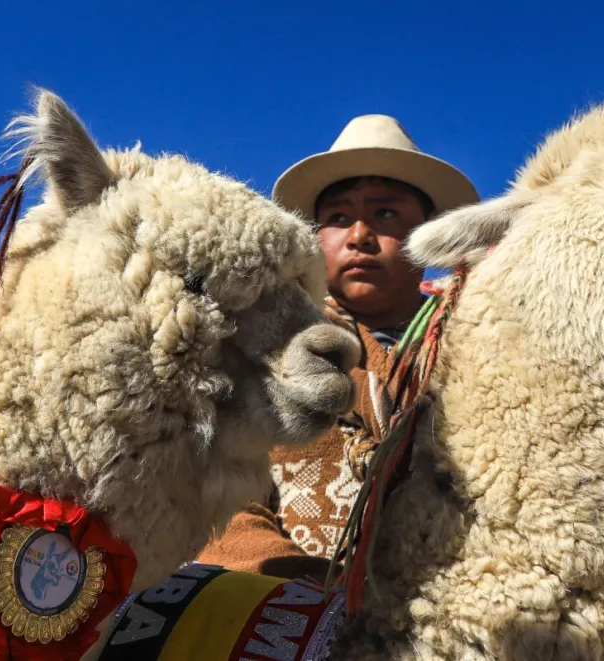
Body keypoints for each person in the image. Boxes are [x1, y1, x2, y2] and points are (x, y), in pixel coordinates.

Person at [196, 114, 479, 579]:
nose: (360, 236)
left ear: (429, 235)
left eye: (386, 214)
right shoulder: (265, 356)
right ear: (315, 237)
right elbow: (225, 500)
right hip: (292, 615)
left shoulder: (477, 352)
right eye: (338, 218)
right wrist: (299, 589)